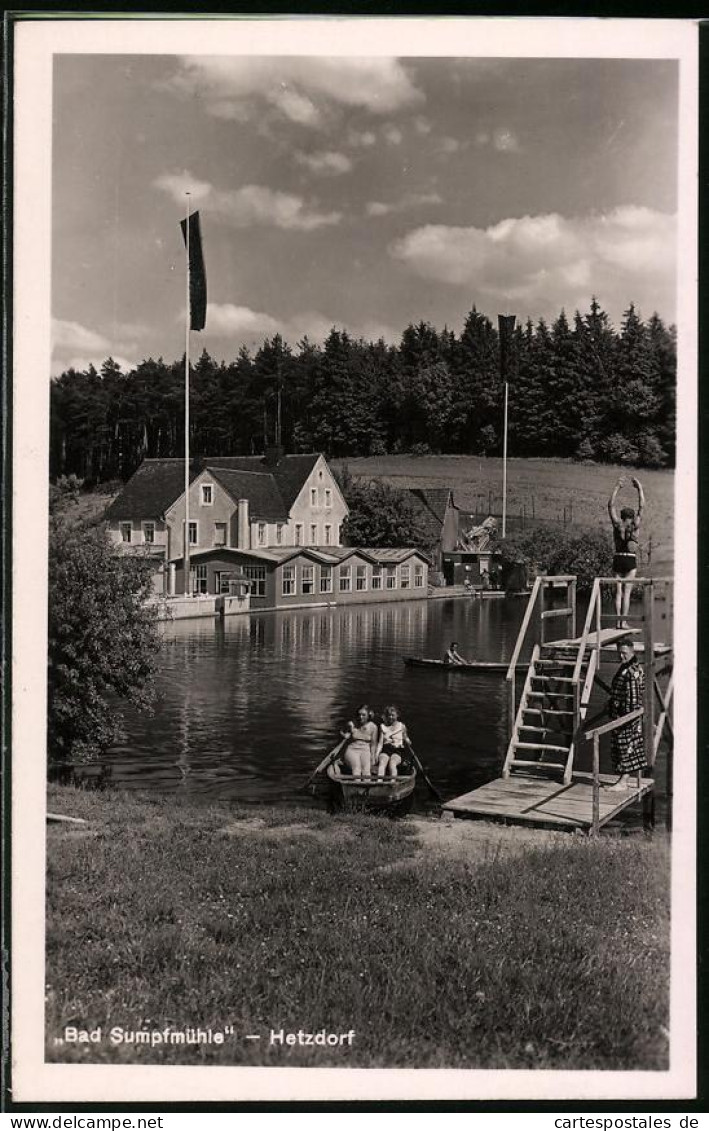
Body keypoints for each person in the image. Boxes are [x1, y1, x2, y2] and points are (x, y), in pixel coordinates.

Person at [605, 641, 646, 791]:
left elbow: (634, 697)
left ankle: (623, 782)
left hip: (627, 717)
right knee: (621, 746)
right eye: (619, 653)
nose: (621, 656)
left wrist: (627, 718)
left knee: (625, 747)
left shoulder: (632, 671)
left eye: (624, 653)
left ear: (632, 652)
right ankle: (622, 780)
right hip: (620, 714)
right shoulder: (626, 667)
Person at [608, 475, 645, 624]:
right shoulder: (635, 526)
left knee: (618, 593)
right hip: (630, 559)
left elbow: (610, 506)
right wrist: (639, 488)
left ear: (622, 516)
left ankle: (617, 622)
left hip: (618, 557)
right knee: (627, 593)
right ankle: (623, 622)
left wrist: (617, 487)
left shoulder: (617, 524)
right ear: (632, 516)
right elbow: (642, 507)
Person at [341, 704, 379, 779]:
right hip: (352, 750)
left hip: (366, 750)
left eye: (363, 715)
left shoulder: (373, 727)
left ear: (369, 715)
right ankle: (356, 787)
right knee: (357, 768)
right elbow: (341, 731)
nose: (360, 717)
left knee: (366, 771)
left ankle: (367, 788)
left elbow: (373, 744)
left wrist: (373, 757)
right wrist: (344, 735)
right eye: (359, 714)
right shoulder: (352, 724)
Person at [375, 705, 413, 779]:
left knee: (392, 763)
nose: (391, 717)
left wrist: (408, 741)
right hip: (386, 749)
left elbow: (406, 738)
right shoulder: (382, 726)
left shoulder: (402, 726)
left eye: (393, 715)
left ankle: (392, 783)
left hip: (397, 750)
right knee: (382, 763)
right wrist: (376, 755)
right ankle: (379, 782)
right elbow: (380, 743)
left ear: (397, 715)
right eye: (389, 715)